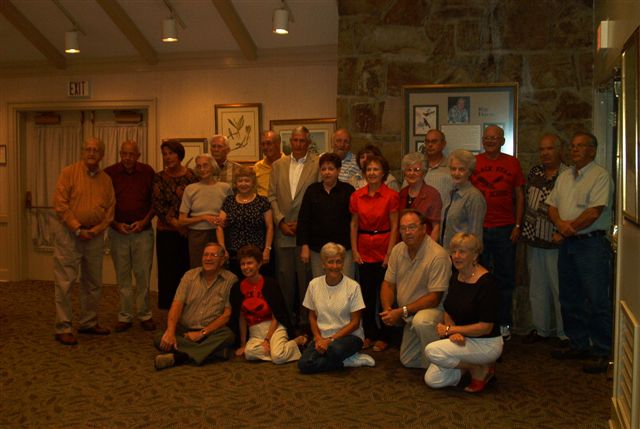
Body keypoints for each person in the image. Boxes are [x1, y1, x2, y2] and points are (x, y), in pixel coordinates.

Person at [546, 132, 614, 374]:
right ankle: (578, 343)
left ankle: (602, 350)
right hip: (569, 245)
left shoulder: (600, 176)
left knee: (596, 299)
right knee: (569, 296)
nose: (574, 150)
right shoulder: (564, 176)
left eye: (580, 146)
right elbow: (552, 206)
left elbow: (594, 212)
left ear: (592, 151)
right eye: (572, 146)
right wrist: (563, 227)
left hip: (591, 245)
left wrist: (567, 229)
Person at [52, 137, 115, 345]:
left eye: (96, 150)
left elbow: (110, 210)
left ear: (102, 154)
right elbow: (60, 204)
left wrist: (96, 230)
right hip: (69, 235)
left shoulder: (106, 179)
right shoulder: (68, 173)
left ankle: (89, 322)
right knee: (65, 282)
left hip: (94, 237)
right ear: (82, 152)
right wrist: (77, 229)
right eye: (88, 149)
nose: (91, 153)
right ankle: (63, 327)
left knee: (93, 282)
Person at [425, 233, 503, 393]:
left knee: (432, 351)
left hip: (486, 343)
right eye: (454, 251)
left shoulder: (488, 284)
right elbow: (448, 309)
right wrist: (452, 330)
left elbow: (485, 327)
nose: (456, 256)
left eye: (462, 252)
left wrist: (451, 330)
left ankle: (478, 367)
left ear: (475, 255)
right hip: (461, 339)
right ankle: (474, 367)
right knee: (432, 380)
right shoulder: (456, 277)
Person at [470, 125, 525, 340]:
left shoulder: (512, 163)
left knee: (505, 280)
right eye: (487, 138)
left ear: (502, 141)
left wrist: (517, 225)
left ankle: (503, 324)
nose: (490, 141)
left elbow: (519, 196)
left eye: (494, 138)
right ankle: (478, 323)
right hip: (479, 230)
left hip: (505, 229)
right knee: (476, 278)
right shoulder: (475, 163)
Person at [380, 209, 451, 368]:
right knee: (408, 360)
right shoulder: (398, 250)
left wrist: (401, 311)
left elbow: (434, 298)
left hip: (434, 312)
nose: (407, 232)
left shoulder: (438, 255)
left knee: (422, 322)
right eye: (403, 228)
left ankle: (440, 366)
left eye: (412, 227)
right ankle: (447, 359)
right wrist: (388, 310)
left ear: (424, 229)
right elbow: (388, 284)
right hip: (410, 313)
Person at [154, 242, 236, 370]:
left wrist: (202, 333)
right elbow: (176, 305)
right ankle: (214, 352)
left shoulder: (230, 280)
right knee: (160, 338)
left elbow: (226, 315)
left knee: (228, 335)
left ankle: (180, 357)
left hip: (211, 332)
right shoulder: (189, 276)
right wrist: (170, 332)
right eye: (205, 255)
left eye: (213, 255)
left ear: (222, 260)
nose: (208, 258)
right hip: (185, 331)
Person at [268, 126, 319, 327]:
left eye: (302, 141)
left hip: (305, 234)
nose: (298, 144)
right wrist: (280, 221)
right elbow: (271, 196)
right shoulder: (278, 165)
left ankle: (307, 325)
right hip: (283, 232)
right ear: (290, 142)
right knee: (285, 282)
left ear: (308, 143)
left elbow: (317, 196)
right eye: (295, 140)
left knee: (306, 282)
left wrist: (303, 223)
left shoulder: (317, 164)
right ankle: (286, 324)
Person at [298, 243, 375, 373]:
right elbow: (311, 316)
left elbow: (355, 323)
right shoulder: (314, 285)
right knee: (304, 365)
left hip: (349, 337)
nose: (335, 266)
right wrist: (318, 338)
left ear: (343, 264)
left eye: (338, 262)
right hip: (322, 337)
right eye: (330, 262)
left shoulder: (353, 286)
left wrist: (330, 340)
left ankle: (342, 356)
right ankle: (345, 362)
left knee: (334, 350)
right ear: (323, 264)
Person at [104, 140, 156, 333]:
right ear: (120, 154)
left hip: (142, 232)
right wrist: (115, 224)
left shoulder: (148, 172)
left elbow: (155, 202)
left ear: (138, 155)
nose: (127, 158)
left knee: (143, 276)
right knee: (123, 276)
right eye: (124, 154)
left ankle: (144, 314)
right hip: (117, 232)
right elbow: (103, 204)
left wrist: (143, 221)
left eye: (131, 154)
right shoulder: (109, 173)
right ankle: (125, 315)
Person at [522, 134, 568, 344]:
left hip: (556, 240)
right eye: (542, 149)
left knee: (559, 289)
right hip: (534, 239)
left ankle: (564, 334)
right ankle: (541, 330)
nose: (545, 153)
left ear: (560, 150)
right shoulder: (535, 172)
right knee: (537, 288)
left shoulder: (568, 175)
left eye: (549, 149)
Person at [350, 154, 399, 351]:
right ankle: (369, 333)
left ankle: (385, 336)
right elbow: (353, 225)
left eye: (376, 169)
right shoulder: (356, 196)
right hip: (363, 249)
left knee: (385, 296)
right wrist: (354, 250)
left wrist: (389, 254)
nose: (372, 173)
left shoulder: (391, 196)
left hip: (384, 246)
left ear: (383, 173)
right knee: (366, 295)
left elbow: (395, 226)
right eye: (369, 170)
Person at [232, 245, 306, 363]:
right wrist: (243, 344)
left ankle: (295, 343)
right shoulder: (237, 288)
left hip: (274, 328)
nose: (246, 267)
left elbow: (276, 315)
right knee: (249, 353)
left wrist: (267, 340)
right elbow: (241, 317)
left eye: (250, 263)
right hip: (255, 332)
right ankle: (279, 350)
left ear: (259, 264)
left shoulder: (271, 284)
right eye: (243, 264)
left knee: (278, 358)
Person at [152, 140, 198, 309]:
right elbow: (158, 205)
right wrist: (177, 224)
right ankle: (169, 313)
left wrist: (185, 224)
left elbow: (197, 202)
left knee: (187, 272)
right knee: (168, 274)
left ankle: (187, 309)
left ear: (179, 154)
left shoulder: (192, 176)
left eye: (171, 153)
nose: (168, 157)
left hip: (189, 232)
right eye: (165, 154)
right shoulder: (159, 177)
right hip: (167, 233)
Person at [298, 152, 355, 279]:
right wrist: (304, 246)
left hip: (344, 249)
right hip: (317, 249)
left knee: (345, 285)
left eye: (331, 169)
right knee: (320, 286)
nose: (327, 172)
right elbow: (304, 220)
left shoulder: (348, 191)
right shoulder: (312, 191)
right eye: (323, 169)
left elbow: (354, 221)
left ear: (338, 170)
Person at [219, 166, 274, 278]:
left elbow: (270, 227)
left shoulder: (263, 201)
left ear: (253, 182)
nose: (243, 184)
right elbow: (219, 226)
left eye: (247, 180)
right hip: (234, 254)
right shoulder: (229, 201)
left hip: (258, 254)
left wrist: (267, 250)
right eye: (240, 181)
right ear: (236, 183)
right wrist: (223, 248)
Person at [178, 154, 231, 268]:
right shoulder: (190, 189)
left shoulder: (225, 188)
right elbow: (181, 220)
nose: (202, 169)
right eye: (199, 166)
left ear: (213, 166)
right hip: (197, 236)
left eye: (205, 165)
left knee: (222, 268)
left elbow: (232, 213)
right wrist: (203, 217)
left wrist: (226, 221)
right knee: (198, 269)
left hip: (219, 235)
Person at [440, 149, 486, 250]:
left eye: (461, 169)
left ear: (469, 172)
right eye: (453, 169)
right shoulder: (451, 192)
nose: (456, 173)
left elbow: (475, 234)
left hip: (463, 255)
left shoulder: (474, 196)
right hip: (447, 252)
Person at [398, 152, 442, 242]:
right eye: (409, 170)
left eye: (417, 170)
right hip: (405, 243)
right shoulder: (402, 193)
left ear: (424, 172)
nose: (412, 173)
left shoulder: (432, 194)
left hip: (425, 245)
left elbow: (436, 227)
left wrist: (431, 250)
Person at [255, 131, 284, 197]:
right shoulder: (257, 167)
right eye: (263, 144)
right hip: (263, 205)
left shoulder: (289, 164)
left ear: (278, 144)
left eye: (269, 143)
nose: (265, 147)